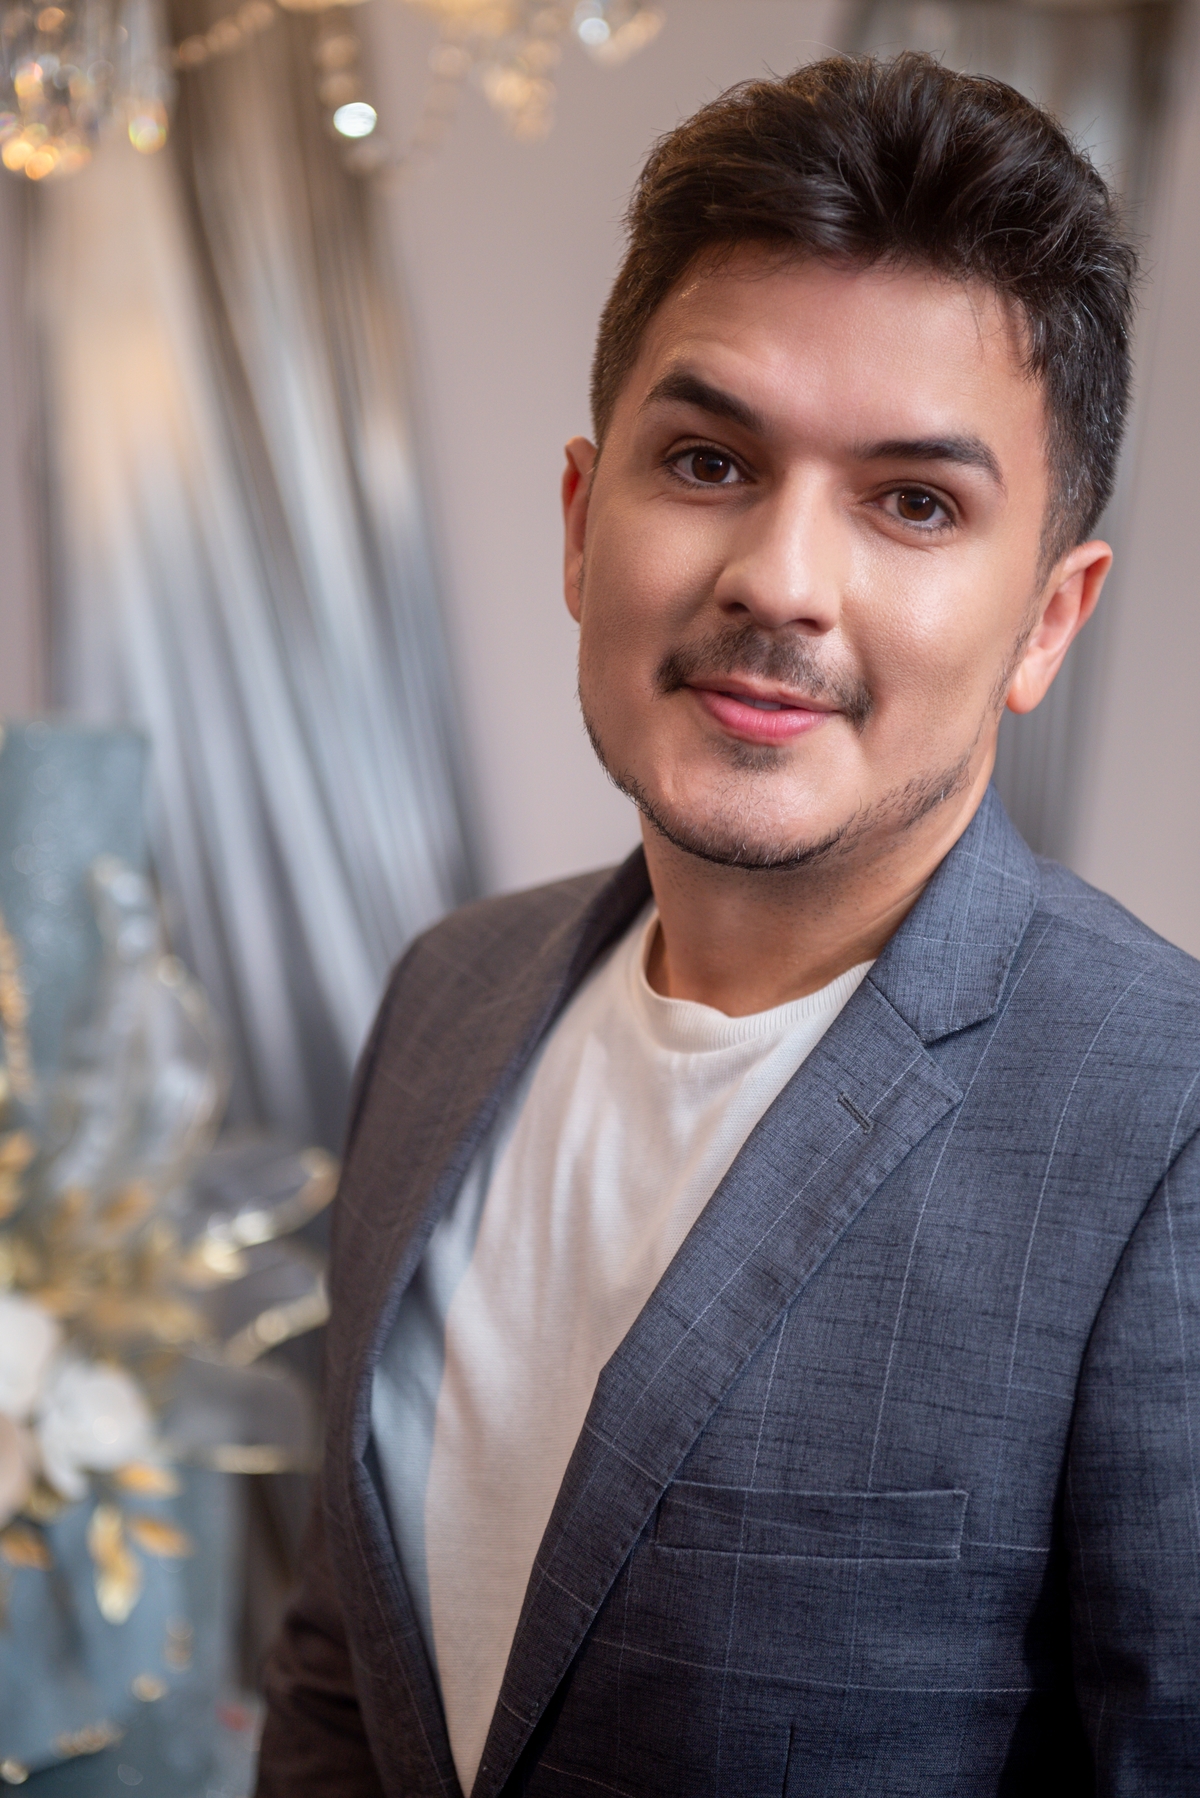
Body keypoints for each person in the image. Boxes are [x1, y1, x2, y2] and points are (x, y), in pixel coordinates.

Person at [255, 52, 1200, 1797]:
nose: (778, 578)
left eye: (914, 502)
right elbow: (338, 1668)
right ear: (580, 522)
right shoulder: (446, 993)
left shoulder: (1165, 1121)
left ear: (1047, 621)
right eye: (706, 460)